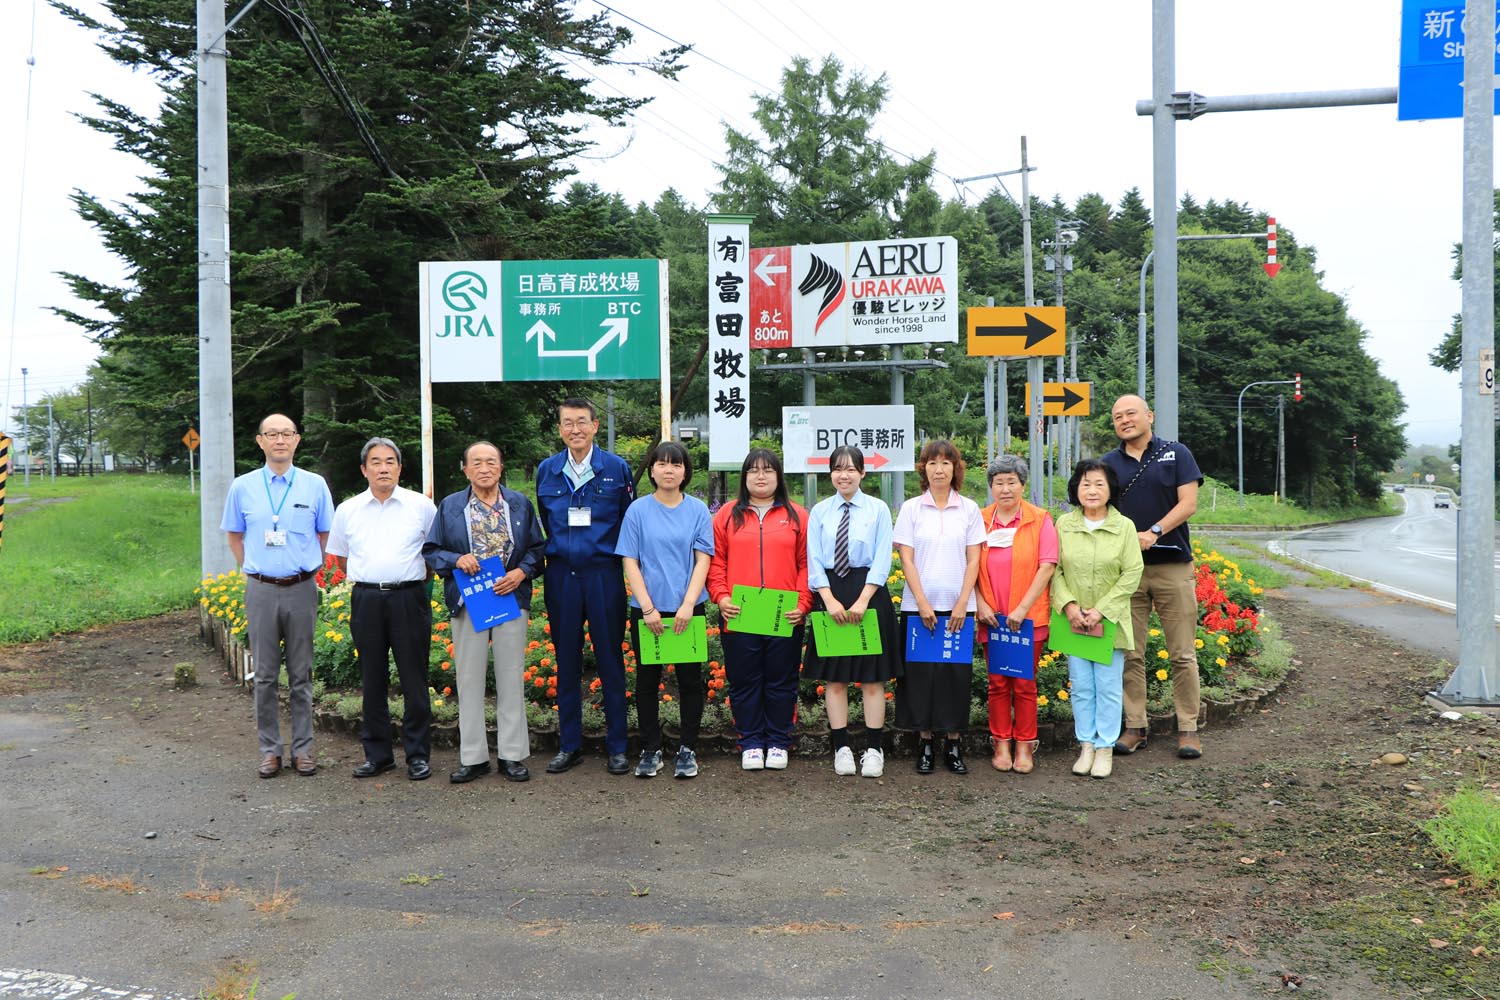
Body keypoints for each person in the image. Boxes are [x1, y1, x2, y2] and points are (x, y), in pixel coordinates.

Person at [424, 441, 546, 784]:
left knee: (510, 676)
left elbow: (537, 549)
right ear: (465, 469)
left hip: (509, 598)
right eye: (476, 463)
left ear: (501, 466)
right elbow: (432, 550)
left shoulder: (519, 504)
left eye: (491, 462)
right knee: (469, 678)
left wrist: (521, 572)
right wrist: (455, 559)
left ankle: (511, 754)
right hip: (469, 600)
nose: (484, 468)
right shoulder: (450, 506)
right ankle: (473, 757)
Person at [220, 413, 334, 779]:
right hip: (261, 589)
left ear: (297, 440)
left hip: (301, 588)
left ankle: (303, 750)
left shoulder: (315, 485)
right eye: (272, 434)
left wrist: (306, 566)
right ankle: (270, 750)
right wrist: (255, 569)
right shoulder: (243, 487)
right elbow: (235, 536)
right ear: (260, 441)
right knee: (266, 675)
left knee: (301, 674)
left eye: (287, 434)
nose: (280, 440)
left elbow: (324, 535)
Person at [1100, 394, 1205, 759]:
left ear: (1149, 415)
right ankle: (1135, 726)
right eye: (1117, 417)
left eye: (1131, 413)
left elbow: (1188, 503)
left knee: (1183, 654)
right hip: (1127, 572)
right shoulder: (1108, 464)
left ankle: (1188, 728)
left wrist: (1155, 531)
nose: (1125, 420)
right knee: (1130, 653)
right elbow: (1100, 509)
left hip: (1173, 566)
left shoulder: (1176, 454)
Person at [534, 398, 636, 775]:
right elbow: (546, 520)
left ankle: (618, 747)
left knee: (610, 659)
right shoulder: (547, 470)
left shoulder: (615, 468)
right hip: (561, 576)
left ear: (595, 426)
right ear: (560, 429)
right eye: (567, 423)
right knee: (567, 661)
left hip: (603, 575)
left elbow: (628, 520)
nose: (574, 429)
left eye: (581, 422)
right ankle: (570, 745)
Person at [326, 438, 438, 781]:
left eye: (391, 461)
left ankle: (418, 755)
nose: (384, 467)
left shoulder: (421, 506)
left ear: (400, 468)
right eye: (376, 462)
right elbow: (343, 558)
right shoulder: (348, 510)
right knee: (372, 678)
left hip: (408, 597)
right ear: (364, 469)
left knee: (413, 678)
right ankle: (378, 754)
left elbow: (432, 555)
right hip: (367, 599)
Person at [707, 448, 812, 772]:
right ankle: (751, 742)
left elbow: (807, 564)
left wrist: (802, 602)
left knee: (781, 680)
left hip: (784, 614)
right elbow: (716, 562)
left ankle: (779, 741)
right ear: (745, 477)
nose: (761, 476)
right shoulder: (726, 515)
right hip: (741, 614)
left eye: (768, 470)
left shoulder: (797, 515)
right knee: (744, 680)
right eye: (754, 470)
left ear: (778, 476)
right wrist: (722, 598)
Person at [615, 442, 714, 779]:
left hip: (689, 609)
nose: (669, 470)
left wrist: (688, 605)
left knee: (689, 682)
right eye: (662, 464)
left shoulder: (699, 510)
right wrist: (647, 607)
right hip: (647, 611)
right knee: (647, 681)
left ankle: (687, 748)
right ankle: (651, 748)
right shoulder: (637, 511)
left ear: (685, 471)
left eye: (676, 464)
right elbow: (630, 559)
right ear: (652, 470)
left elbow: (704, 558)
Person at [804, 445, 903, 778]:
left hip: (869, 594)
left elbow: (881, 558)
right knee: (836, 679)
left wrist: (862, 600)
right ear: (830, 473)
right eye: (837, 469)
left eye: (850, 469)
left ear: (863, 473)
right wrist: (828, 599)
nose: (843, 475)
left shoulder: (877, 509)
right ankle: (841, 747)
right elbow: (814, 559)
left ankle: (874, 749)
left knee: (873, 679)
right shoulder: (819, 511)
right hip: (830, 593)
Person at [893, 440, 984, 775]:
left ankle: (954, 746)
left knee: (954, 679)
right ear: (923, 469)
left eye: (946, 462)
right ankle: (927, 744)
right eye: (932, 463)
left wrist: (963, 602)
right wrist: (922, 603)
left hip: (959, 609)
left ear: (955, 469)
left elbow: (974, 558)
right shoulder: (912, 508)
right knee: (921, 679)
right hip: (919, 609)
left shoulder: (969, 509)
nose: (939, 469)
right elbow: (907, 557)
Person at [1051, 459, 1144, 780]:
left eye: (1099, 484)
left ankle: (1105, 747)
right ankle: (1086, 745)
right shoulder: (1064, 524)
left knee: (1107, 687)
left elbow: (1132, 572)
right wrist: (1070, 606)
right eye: (1086, 483)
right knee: (1081, 687)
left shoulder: (1125, 527)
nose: (1092, 490)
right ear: (1076, 488)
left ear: (1110, 489)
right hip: (1073, 621)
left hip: (1109, 623)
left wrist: (1101, 610)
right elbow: (1054, 569)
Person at [974, 455, 1056, 775]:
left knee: (1023, 683)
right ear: (991, 487)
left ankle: (1025, 745)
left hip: (1027, 618)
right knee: (996, 683)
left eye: (1012, 482)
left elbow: (1047, 565)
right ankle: (1001, 743)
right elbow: (968, 566)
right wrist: (979, 602)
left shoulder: (1040, 519)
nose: (1005, 488)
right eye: (999, 482)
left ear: (1023, 485)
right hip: (992, 618)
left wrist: (1022, 609)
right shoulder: (980, 520)